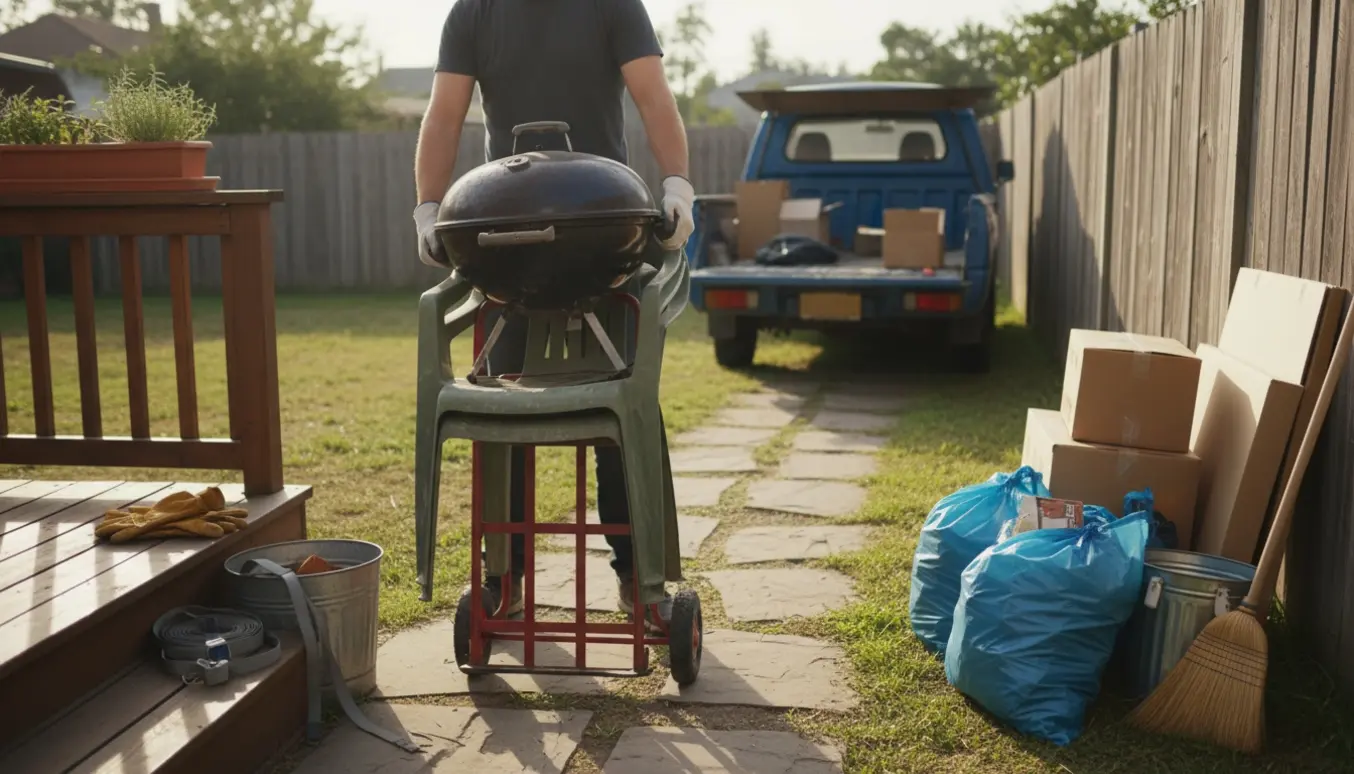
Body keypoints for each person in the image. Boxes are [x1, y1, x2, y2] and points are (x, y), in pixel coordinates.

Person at [411, 0, 694, 630]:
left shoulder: (612, 5)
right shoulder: (474, 14)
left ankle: (637, 579)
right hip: (506, 247)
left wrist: (677, 185)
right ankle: (502, 580)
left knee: (620, 413)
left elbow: (652, 95)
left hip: (603, 234)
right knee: (496, 415)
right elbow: (445, 112)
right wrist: (428, 207)